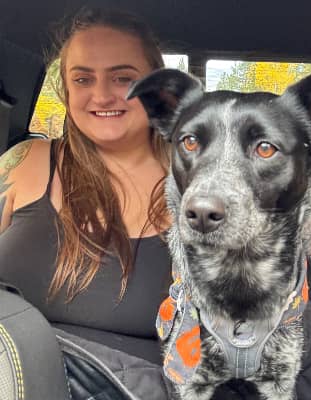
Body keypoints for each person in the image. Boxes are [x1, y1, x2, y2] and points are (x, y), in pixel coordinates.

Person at [0, 7, 173, 399]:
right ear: (66, 88)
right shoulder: (25, 162)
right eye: (82, 78)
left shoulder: (201, 187)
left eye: (123, 77)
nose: (101, 95)